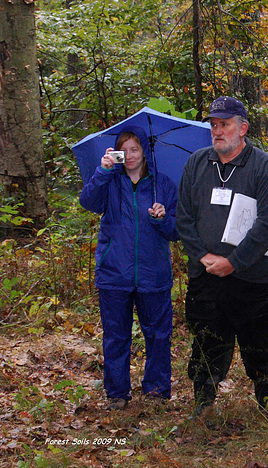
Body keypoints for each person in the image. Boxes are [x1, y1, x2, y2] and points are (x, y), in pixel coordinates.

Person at [176, 96, 268, 418]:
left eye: (224, 125)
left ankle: (265, 400)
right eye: (214, 125)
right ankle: (203, 402)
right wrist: (203, 256)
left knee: (258, 341)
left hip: (252, 275)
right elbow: (184, 217)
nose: (217, 131)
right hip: (206, 274)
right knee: (207, 338)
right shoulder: (197, 163)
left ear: (243, 128)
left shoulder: (265, 166)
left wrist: (234, 261)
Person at [79, 125, 179, 410]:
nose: (130, 155)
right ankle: (117, 394)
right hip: (114, 273)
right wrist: (103, 170)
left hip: (154, 274)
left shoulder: (163, 185)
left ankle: (157, 392)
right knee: (116, 336)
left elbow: (176, 231)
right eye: (123, 150)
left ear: (145, 152)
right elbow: (88, 202)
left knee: (158, 336)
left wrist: (162, 219)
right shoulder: (109, 181)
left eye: (135, 149)